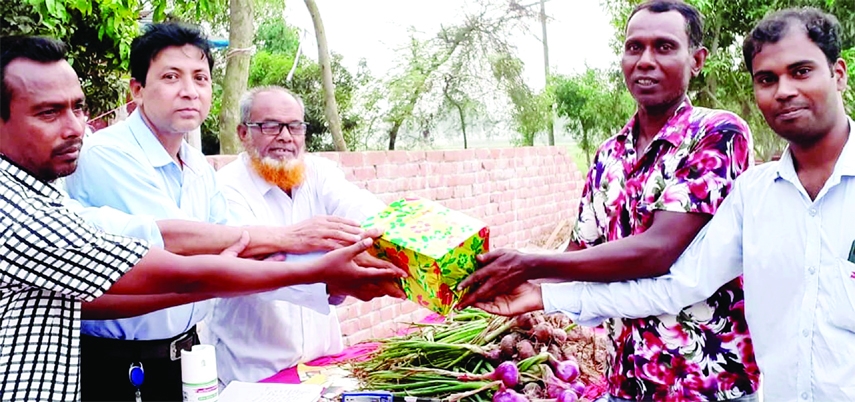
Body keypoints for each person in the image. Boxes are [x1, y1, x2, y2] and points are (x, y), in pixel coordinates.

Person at [470, 7, 854, 402]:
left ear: (697, 60)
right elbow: (659, 280)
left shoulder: (717, 133)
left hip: (705, 385)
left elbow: (660, 253)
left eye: (665, 47)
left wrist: (530, 263)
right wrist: (495, 280)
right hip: (628, 380)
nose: (646, 61)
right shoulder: (612, 158)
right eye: (634, 47)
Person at [0, 35, 406, 402]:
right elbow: (174, 256)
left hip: (186, 357)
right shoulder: (97, 161)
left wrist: (387, 246)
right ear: (137, 90)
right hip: (120, 364)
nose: (189, 92)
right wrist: (298, 249)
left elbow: (230, 253)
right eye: (172, 77)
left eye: (201, 78)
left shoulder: (198, 166)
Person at [204, 86, 389, 385]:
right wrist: (329, 278)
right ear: (242, 133)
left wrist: (393, 236)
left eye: (295, 126)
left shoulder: (319, 173)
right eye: (270, 126)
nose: (285, 137)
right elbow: (256, 269)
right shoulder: (224, 189)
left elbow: (362, 210)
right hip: (252, 371)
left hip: (322, 365)